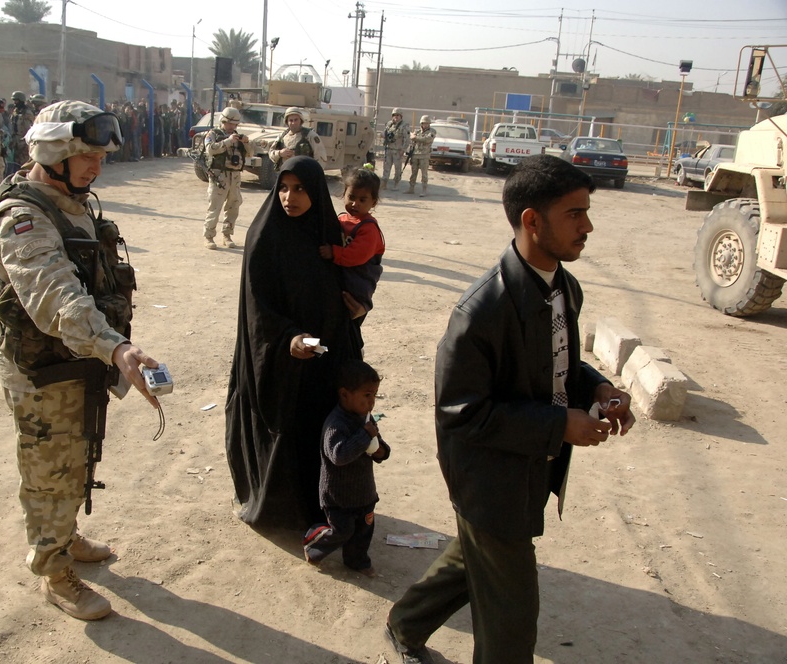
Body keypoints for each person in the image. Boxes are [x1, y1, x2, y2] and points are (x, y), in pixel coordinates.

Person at [384, 154, 637, 664]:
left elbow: (558, 365)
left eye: (587, 212)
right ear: (531, 220)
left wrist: (600, 388)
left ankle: (403, 624)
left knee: (474, 558)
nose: (587, 226)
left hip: (527, 468)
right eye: (574, 214)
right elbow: (462, 413)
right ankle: (405, 628)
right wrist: (559, 424)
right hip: (486, 476)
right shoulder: (481, 311)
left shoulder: (564, 288)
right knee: (512, 623)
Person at [0, 99, 162, 622]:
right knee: (48, 469)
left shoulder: (70, 201)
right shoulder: (22, 216)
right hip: (43, 370)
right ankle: (53, 571)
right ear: (53, 151)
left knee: (77, 456)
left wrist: (107, 346)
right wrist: (116, 347)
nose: (95, 165)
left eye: (100, 155)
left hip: (78, 361)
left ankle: (66, 535)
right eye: (84, 154)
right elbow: (54, 298)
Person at [225, 156, 363, 529]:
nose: (290, 197)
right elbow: (257, 306)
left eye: (300, 188)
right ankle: (275, 509)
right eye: (283, 188)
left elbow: (343, 288)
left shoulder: (328, 235)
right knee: (284, 423)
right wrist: (289, 338)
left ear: (316, 191)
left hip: (324, 352)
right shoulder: (265, 234)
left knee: (319, 424)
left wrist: (357, 309)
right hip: (281, 354)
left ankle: (320, 504)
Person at [302, 359, 390, 577]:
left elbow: (376, 444)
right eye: (367, 395)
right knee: (342, 530)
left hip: (364, 492)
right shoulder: (335, 424)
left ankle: (357, 560)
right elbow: (339, 456)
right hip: (338, 496)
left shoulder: (365, 420)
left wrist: (381, 452)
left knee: (363, 530)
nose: (372, 402)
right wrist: (365, 435)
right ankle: (314, 542)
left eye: (374, 395)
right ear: (345, 394)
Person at [318, 166, 385, 326]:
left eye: (362, 200)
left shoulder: (368, 228)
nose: (355, 204)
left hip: (359, 282)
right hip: (344, 276)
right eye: (351, 197)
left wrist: (333, 252)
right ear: (344, 194)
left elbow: (356, 256)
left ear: (373, 202)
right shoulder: (341, 219)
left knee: (348, 322)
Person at [202, 106, 253, 250]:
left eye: (235, 124)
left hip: (235, 176)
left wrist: (247, 142)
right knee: (215, 207)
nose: (232, 127)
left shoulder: (238, 136)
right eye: (229, 123)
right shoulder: (213, 134)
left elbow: (250, 153)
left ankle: (227, 235)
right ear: (223, 121)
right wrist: (227, 142)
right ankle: (209, 236)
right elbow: (210, 149)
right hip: (219, 175)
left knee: (233, 206)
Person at [381, 108, 411, 190]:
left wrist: (403, 149)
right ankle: (384, 184)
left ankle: (396, 184)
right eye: (394, 115)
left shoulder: (404, 125)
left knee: (397, 169)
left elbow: (407, 139)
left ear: (401, 116)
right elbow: (384, 133)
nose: (396, 117)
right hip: (389, 149)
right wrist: (383, 135)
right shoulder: (389, 124)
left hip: (397, 150)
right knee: (386, 167)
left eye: (398, 115)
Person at [406, 116, 436, 197]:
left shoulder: (432, 131)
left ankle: (424, 190)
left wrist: (415, 138)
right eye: (423, 123)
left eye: (427, 123)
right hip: (415, 155)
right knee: (413, 173)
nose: (425, 125)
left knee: (424, 174)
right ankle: (411, 188)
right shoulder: (417, 131)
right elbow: (411, 138)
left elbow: (427, 139)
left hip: (424, 155)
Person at [9, 91, 35, 167]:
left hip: (24, 143)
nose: (15, 103)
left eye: (16, 101)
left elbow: (29, 128)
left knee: (25, 164)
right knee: (16, 164)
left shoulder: (27, 113)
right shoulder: (15, 112)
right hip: (16, 143)